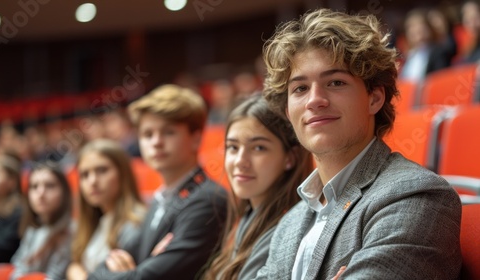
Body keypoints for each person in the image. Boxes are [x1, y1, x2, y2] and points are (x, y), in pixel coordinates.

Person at [255, 8, 462, 279]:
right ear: (287, 111)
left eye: (336, 82)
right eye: (300, 88)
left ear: (374, 99)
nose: (314, 100)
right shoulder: (289, 223)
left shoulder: (416, 195)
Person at [88, 84, 228, 280]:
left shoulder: (208, 200)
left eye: (168, 132)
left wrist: (135, 270)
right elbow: (99, 269)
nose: (156, 142)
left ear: (196, 139)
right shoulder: (159, 200)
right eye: (147, 134)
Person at [204, 94, 313, 280]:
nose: (240, 161)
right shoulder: (248, 218)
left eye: (258, 148)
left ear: (290, 158)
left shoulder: (286, 232)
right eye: (233, 147)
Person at [66, 139, 146, 280]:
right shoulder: (91, 224)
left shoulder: (137, 223)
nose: (93, 181)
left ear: (123, 174)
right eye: (85, 175)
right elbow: (75, 265)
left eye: (102, 170)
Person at [10, 162, 73, 280]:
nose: (41, 193)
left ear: (64, 191)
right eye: (34, 186)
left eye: (49, 186)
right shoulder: (33, 229)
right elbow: (17, 266)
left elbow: (54, 277)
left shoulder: (71, 230)